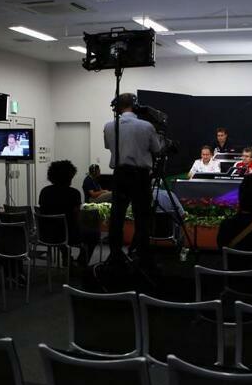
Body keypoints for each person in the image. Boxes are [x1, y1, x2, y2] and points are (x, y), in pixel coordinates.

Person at [103, 92, 161, 267]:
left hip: (119, 175)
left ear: (118, 107)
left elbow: (108, 146)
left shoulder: (108, 126)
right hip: (140, 176)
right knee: (142, 217)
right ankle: (142, 255)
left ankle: (114, 254)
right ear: (134, 106)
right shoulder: (146, 126)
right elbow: (157, 149)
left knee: (117, 216)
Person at [39, 160, 100, 265]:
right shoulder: (74, 193)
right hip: (69, 235)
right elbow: (76, 218)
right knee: (93, 234)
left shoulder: (45, 192)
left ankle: (66, 256)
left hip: (46, 234)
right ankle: (81, 263)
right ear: (69, 177)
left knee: (61, 229)